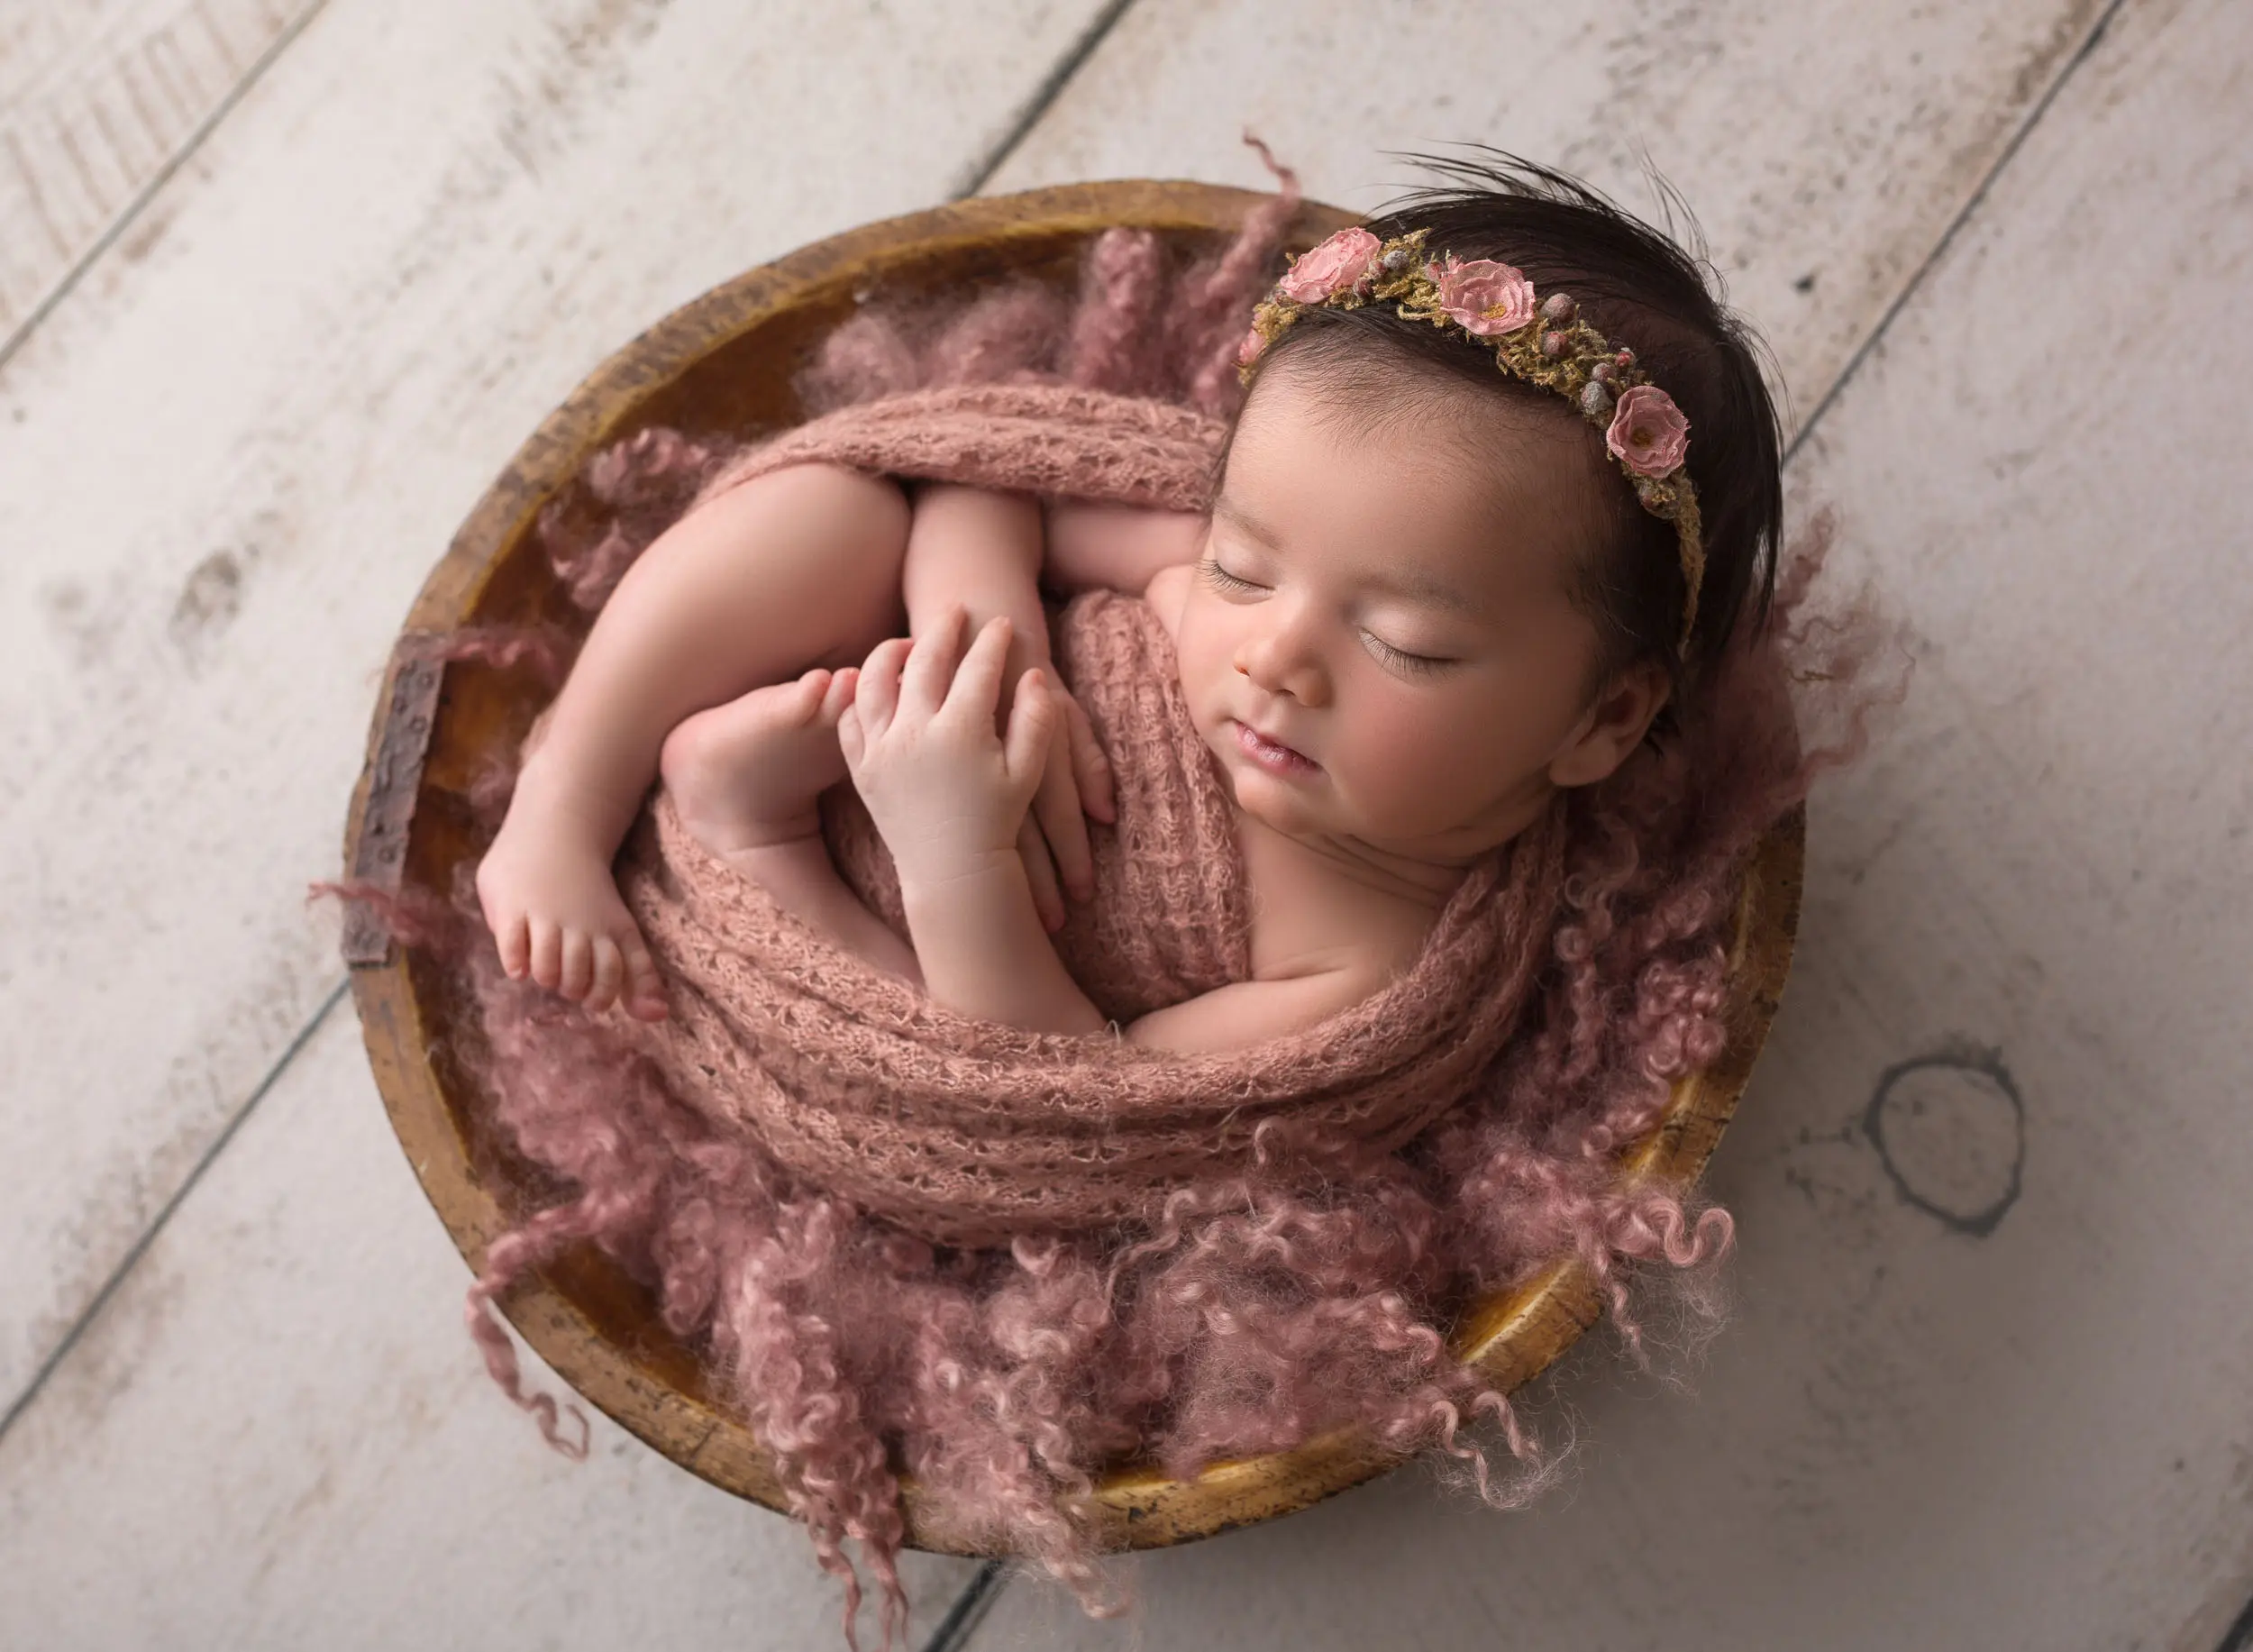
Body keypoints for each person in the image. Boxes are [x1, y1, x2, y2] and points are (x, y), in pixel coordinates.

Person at [473, 159, 1783, 1051]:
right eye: (1245, 566)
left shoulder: (1369, 968)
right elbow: (984, 484)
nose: (1273, 654)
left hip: (869, 910)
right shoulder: (1181, 567)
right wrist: (988, 638)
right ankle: (565, 799)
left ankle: (738, 823)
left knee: (915, 1039)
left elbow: (1076, 1092)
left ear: (1602, 719)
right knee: (839, 510)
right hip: (893, 678)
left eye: (1404, 643)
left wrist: (958, 857)